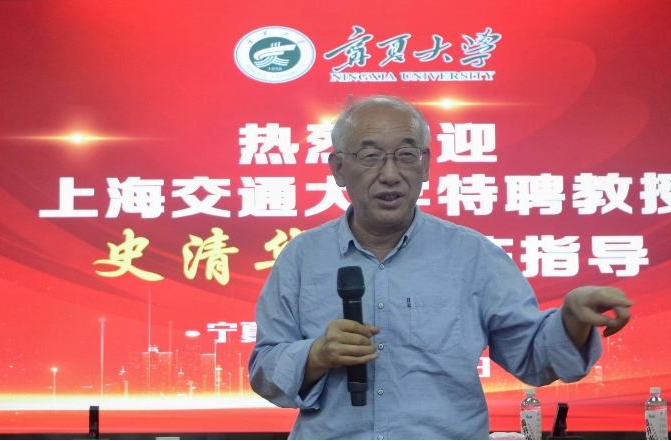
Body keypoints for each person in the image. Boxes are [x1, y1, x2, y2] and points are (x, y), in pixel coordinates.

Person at [248, 94, 633, 440]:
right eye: (370, 157)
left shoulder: (472, 255)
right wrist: (316, 355)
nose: (390, 174)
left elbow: (535, 359)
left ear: (426, 164)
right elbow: (264, 373)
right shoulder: (302, 257)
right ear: (338, 168)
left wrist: (571, 321)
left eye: (406, 155)